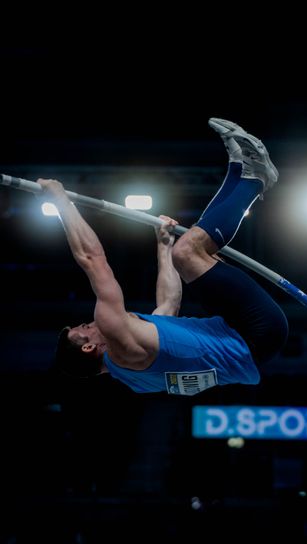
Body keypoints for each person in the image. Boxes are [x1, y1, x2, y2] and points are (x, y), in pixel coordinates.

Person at [41, 118, 288, 396]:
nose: (90, 322)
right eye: (84, 327)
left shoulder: (135, 377)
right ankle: (256, 179)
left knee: (190, 250)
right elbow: (91, 258)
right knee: (189, 252)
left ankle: (239, 167)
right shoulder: (117, 337)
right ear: (89, 346)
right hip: (255, 333)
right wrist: (61, 201)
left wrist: (163, 247)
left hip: (247, 338)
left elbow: (167, 309)